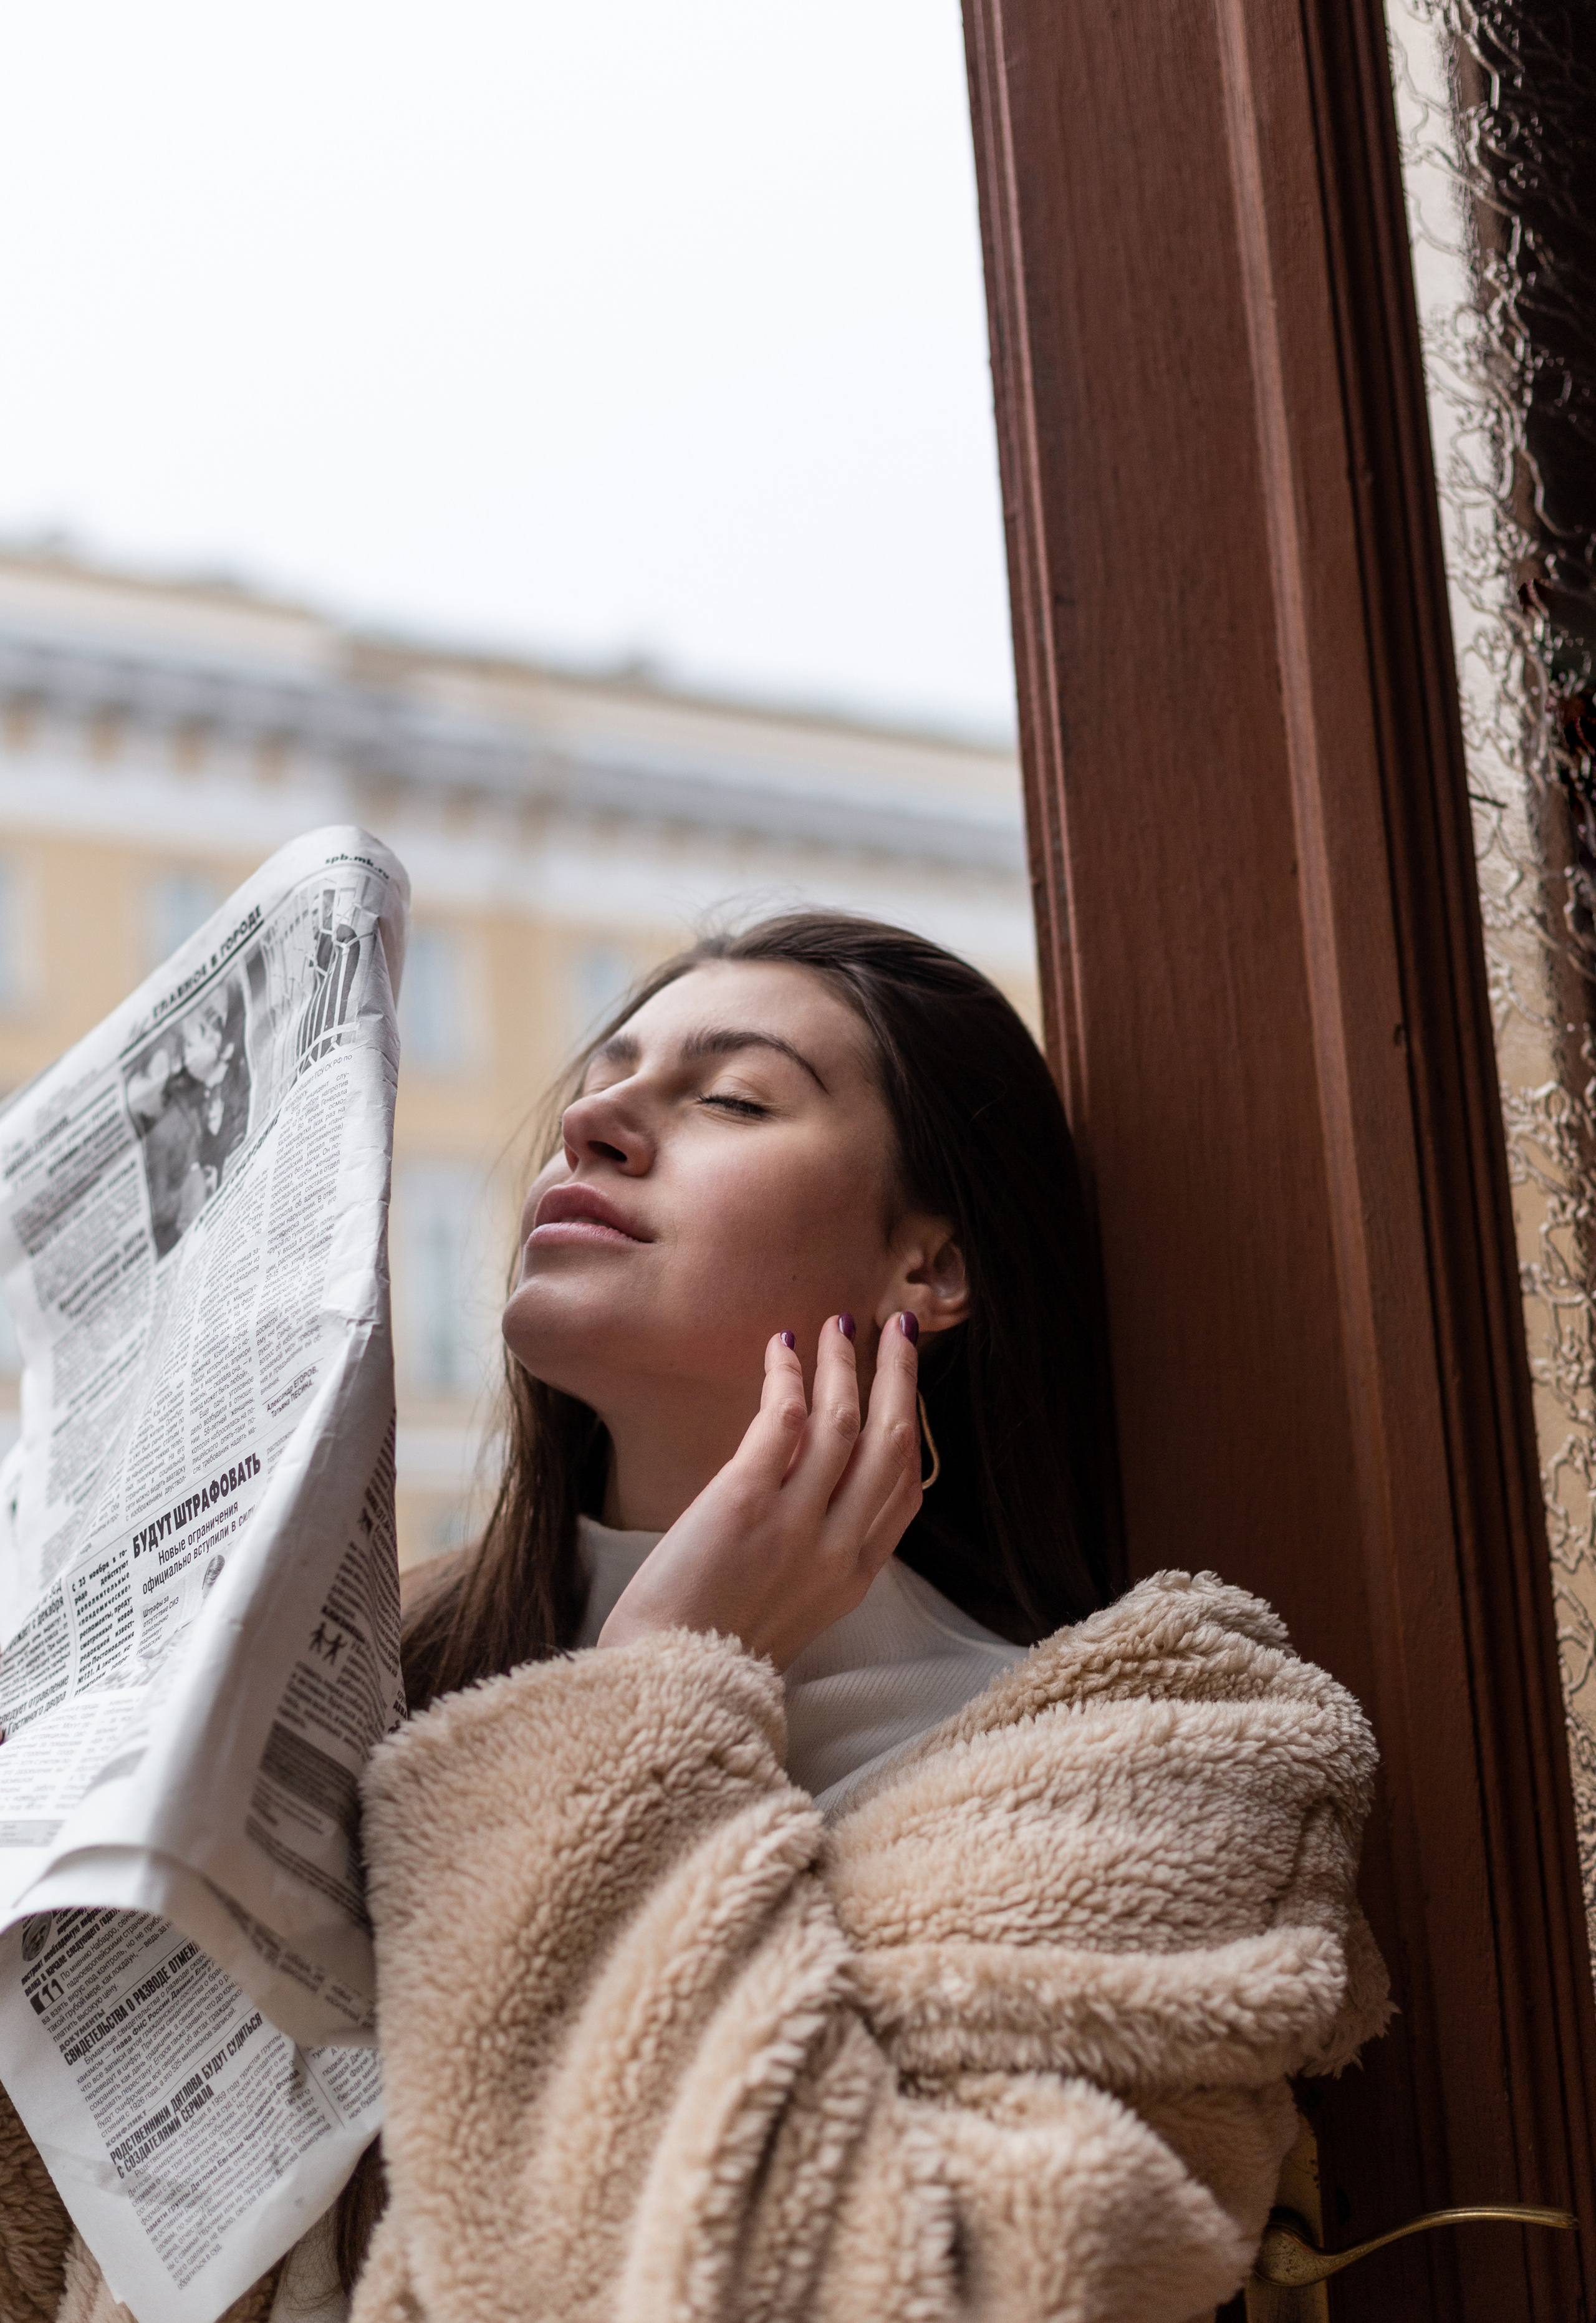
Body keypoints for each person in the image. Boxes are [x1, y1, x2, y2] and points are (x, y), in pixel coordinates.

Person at [0, 912, 1387, 2323]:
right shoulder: (361, 1685)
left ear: (930, 1268)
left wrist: (654, 1682)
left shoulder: (1149, 1772)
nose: (593, 1118)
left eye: (730, 1097)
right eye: (603, 1077)